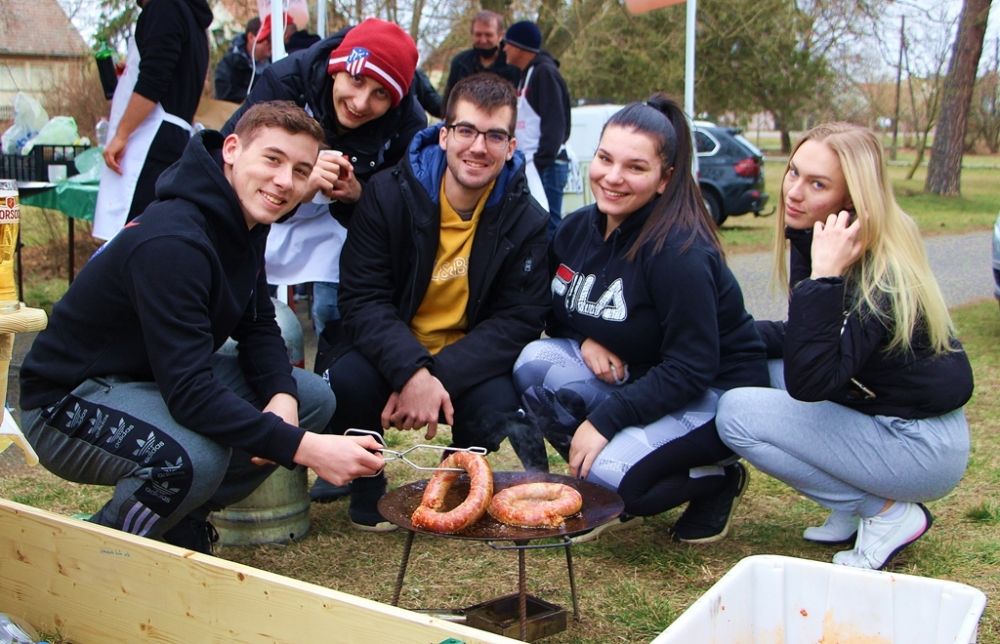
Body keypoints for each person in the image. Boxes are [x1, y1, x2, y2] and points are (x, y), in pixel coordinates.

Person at [18, 102, 386, 554]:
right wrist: (304, 448)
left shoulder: (245, 217)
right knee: (191, 462)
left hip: (150, 377)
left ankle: (182, 517)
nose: (284, 181)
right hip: (67, 401)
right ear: (232, 149)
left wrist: (282, 398)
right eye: (272, 159)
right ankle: (97, 550)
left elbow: (257, 323)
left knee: (312, 399)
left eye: (299, 169)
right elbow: (190, 392)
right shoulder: (174, 241)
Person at [716, 123, 974, 570]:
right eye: (794, 172)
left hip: (922, 446)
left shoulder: (877, 269)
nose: (794, 192)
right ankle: (855, 505)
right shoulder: (822, 234)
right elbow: (805, 336)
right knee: (762, 365)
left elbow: (811, 380)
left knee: (737, 413)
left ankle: (885, 512)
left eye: (817, 184)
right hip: (886, 416)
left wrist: (824, 279)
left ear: (851, 199)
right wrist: (720, 333)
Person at [513, 95, 768, 544]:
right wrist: (583, 336)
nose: (612, 177)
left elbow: (692, 367)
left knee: (614, 482)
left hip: (712, 391)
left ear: (665, 179)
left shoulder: (679, 252)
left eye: (634, 167)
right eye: (605, 159)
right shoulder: (575, 230)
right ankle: (603, 472)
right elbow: (555, 312)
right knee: (535, 361)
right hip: (645, 380)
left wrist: (605, 422)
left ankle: (717, 481)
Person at [316, 73, 551, 530]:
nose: (478, 147)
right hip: (392, 344)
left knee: (499, 399)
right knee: (346, 377)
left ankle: (454, 482)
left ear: (510, 146)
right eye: (466, 130)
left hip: (463, 358)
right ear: (444, 135)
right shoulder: (387, 194)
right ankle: (367, 483)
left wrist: (432, 378)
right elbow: (362, 299)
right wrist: (410, 369)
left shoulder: (527, 219)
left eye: (494, 135)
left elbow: (519, 320)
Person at [221, 17, 426, 341]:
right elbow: (228, 158)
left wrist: (360, 193)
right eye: (357, 80)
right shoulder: (284, 80)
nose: (360, 103)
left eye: (380, 94)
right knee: (249, 299)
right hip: (265, 207)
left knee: (333, 310)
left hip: (340, 228)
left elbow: (403, 202)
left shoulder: (408, 123)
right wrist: (298, 181)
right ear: (336, 69)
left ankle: (328, 367)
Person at [93, 0, 214, 241]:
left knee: (135, 238)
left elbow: (153, 80)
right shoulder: (190, 17)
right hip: (171, 138)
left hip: (150, 144)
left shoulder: (164, 7)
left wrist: (121, 135)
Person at [503, 20, 572, 237]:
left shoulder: (544, 73)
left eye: (507, 43)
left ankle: (554, 271)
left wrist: (542, 161)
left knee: (548, 225)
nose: (503, 48)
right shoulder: (527, 75)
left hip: (545, 166)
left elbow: (556, 123)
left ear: (519, 46)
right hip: (533, 163)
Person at [442, 11, 521, 106]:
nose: (483, 40)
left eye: (488, 35)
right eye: (478, 35)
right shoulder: (460, 63)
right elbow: (449, 101)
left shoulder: (514, 64)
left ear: (500, 35)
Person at [214, 17, 272, 103]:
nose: (272, 44)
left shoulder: (276, 61)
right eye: (268, 39)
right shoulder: (229, 63)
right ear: (251, 37)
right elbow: (224, 93)